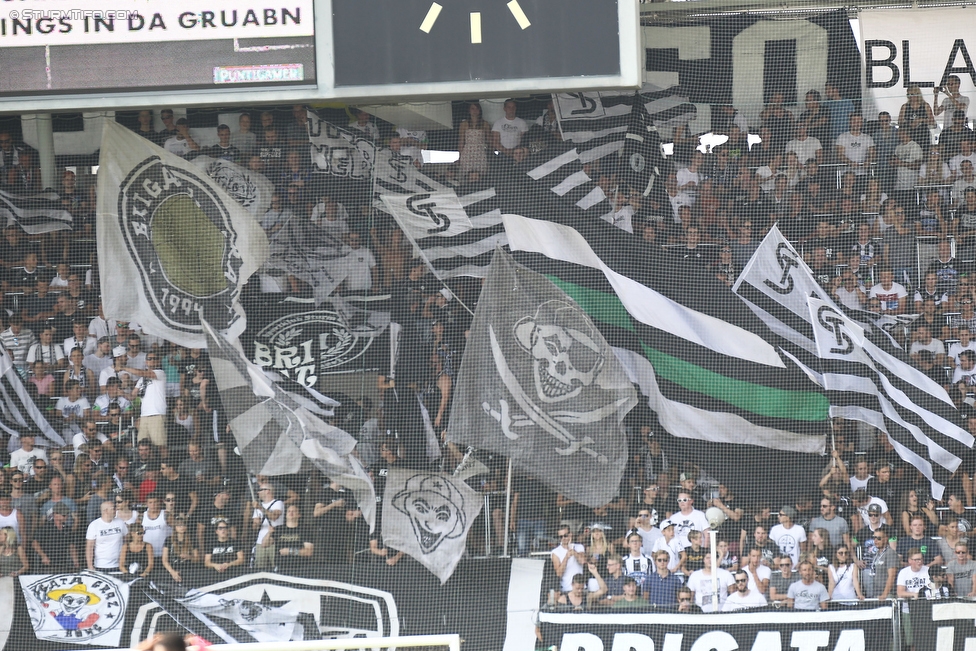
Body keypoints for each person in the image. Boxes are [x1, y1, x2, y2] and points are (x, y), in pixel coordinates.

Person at [127, 351, 168, 450]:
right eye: (149, 358)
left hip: (157, 414)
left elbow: (142, 372)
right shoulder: (141, 379)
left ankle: (164, 465)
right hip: (144, 416)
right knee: (142, 447)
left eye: (154, 358)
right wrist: (120, 392)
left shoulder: (160, 373)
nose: (152, 360)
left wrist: (124, 368)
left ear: (158, 361)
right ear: (146, 361)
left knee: (160, 446)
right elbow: (132, 396)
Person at [32, 502, 78, 571]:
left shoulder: (67, 529)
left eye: (67, 514)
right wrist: (43, 556)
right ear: (55, 514)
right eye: (63, 515)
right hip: (48, 566)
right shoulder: (46, 528)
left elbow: (71, 546)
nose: (66, 516)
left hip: (63, 564)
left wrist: (75, 560)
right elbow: (34, 543)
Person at [85, 499, 127, 572]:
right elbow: (89, 547)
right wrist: (90, 566)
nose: (115, 510)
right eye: (113, 508)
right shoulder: (94, 525)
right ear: (105, 511)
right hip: (100, 565)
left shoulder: (120, 522)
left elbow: (126, 541)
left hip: (119, 565)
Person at [251, 483, 284, 570]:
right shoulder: (257, 507)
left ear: (268, 491)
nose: (258, 493)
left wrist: (260, 508)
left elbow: (274, 517)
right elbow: (254, 527)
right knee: (260, 568)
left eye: (260, 490)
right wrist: (256, 523)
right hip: (260, 541)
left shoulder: (278, 503)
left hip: (275, 540)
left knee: (275, 566)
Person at [864, 526, 900, 600]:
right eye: (874, 538)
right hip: (877, 593)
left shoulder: (890, 553)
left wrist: (885, 594)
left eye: (879, 538)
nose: (876, 540)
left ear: (886, 539)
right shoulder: (877, 553)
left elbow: (892, 576)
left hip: (888, 595)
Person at [457, 102, 490, 182]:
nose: (475, 111)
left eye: (476, 109)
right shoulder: (464, 124)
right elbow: (461, 140)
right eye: (472, 108)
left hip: (480, 151)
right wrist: (460, 156)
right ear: (469, 110)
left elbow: (489, 140)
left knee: (481, 173)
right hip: (468, 151)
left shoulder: (485, 124)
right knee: (466, 173)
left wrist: (489, 152)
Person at [162, 514, 199, 584]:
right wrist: (172, 572)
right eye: (179, 525)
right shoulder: (168, 540)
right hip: (172, 569)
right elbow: (164, 560)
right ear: (175, 527)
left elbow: (197, 558)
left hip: (189, 570)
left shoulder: (192, 539)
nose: (182, 527)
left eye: (184, 525)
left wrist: (189, 557)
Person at [552, 524, 586, 594]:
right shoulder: (555, 552)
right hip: (566, 589)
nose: (563, 538)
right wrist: (566, 557)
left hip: (581, 588)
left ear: (570, 534)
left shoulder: (579, 547)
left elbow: (583, 561)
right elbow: (558, 574)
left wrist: (573, 552)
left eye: (565, 535)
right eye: (560, 537)